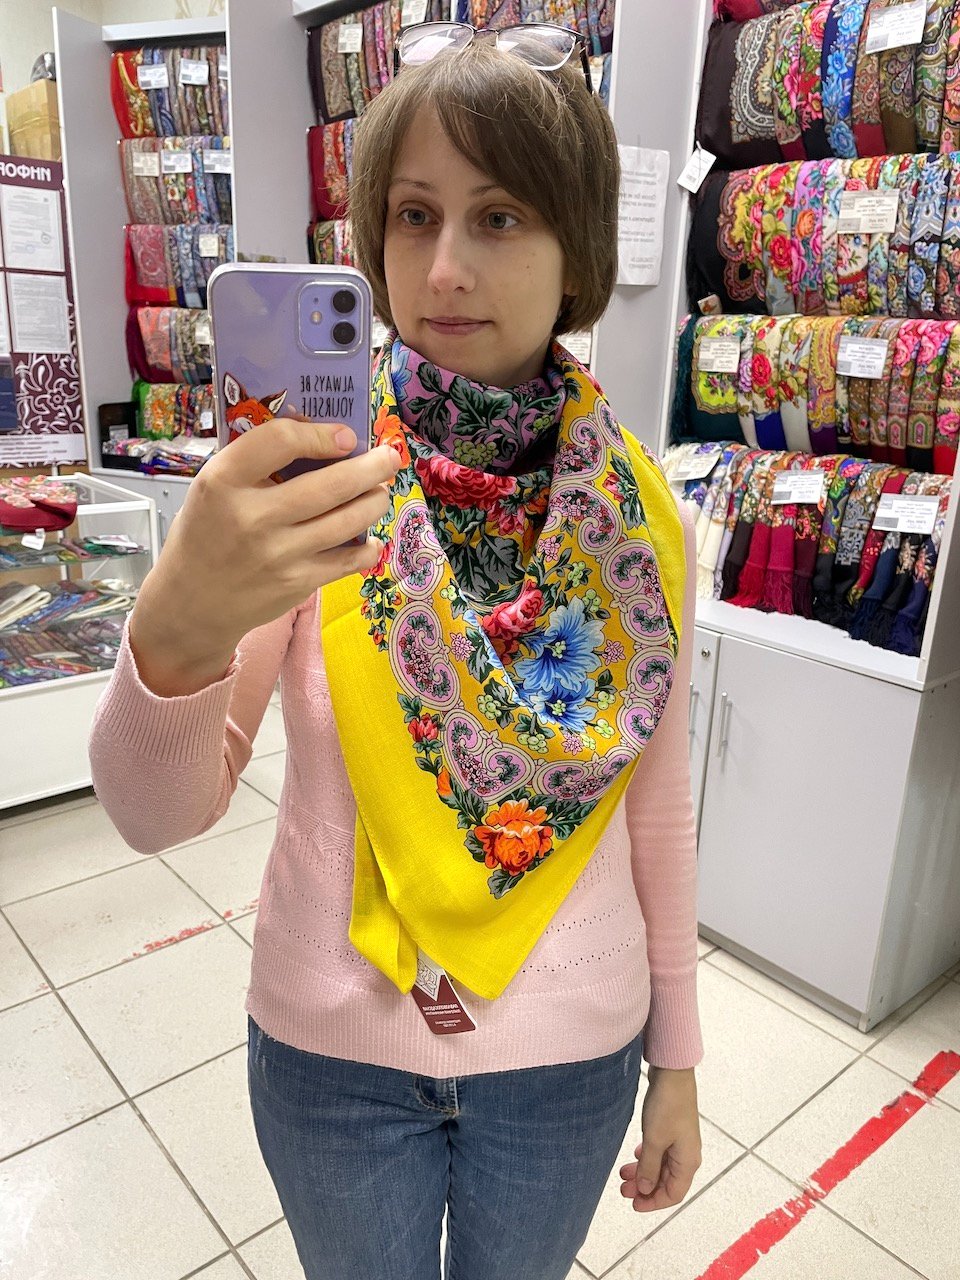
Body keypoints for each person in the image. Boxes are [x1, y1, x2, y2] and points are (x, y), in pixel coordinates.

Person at [90, 21, 703, 1280]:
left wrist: (679, 1061)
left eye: (500, 216)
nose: (445, 268)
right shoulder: (316, 491)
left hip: (568, 1058)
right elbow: (155, 815)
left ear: (578, 250)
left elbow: (660, 812)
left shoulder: (643, 523)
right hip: (334, 1057)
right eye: (414, 216)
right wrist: (177, 624)